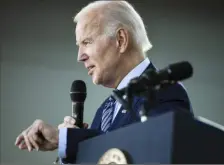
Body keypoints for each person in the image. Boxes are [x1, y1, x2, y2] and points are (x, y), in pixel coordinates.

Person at [15, 0, 193, 163]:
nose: (80, 56)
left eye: (87, 42)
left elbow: (153, 155)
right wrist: (67, 152)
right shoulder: (105, 109)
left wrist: (67, 140)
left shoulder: (166, 91)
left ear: (121, 40)